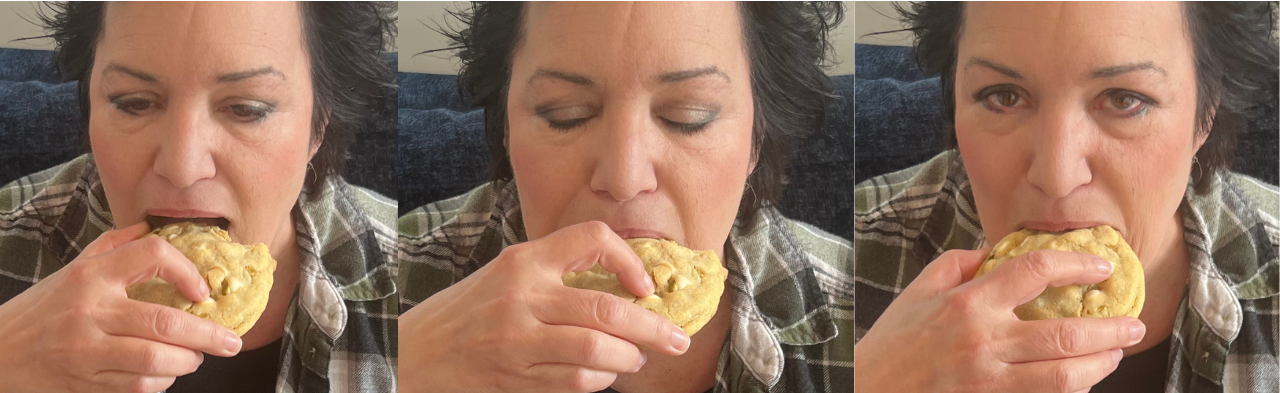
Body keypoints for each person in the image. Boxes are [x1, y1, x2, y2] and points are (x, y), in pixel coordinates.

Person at [397, 2, 853, 392]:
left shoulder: (855, 309)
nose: (623, 178)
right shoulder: (402, 280)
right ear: (506, 128)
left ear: (757, 139)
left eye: (687, 117)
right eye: (565, 115)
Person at [853, 2, 1280, 392]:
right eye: (1003, 96)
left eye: (1123, 99)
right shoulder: (857, 260)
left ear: (1204, 116)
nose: (1056, 177)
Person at [0, 2, 398, 392]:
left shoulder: (403, 282)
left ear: (319, 125)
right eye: (134, 102)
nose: (182, 167)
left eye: (246, 109)